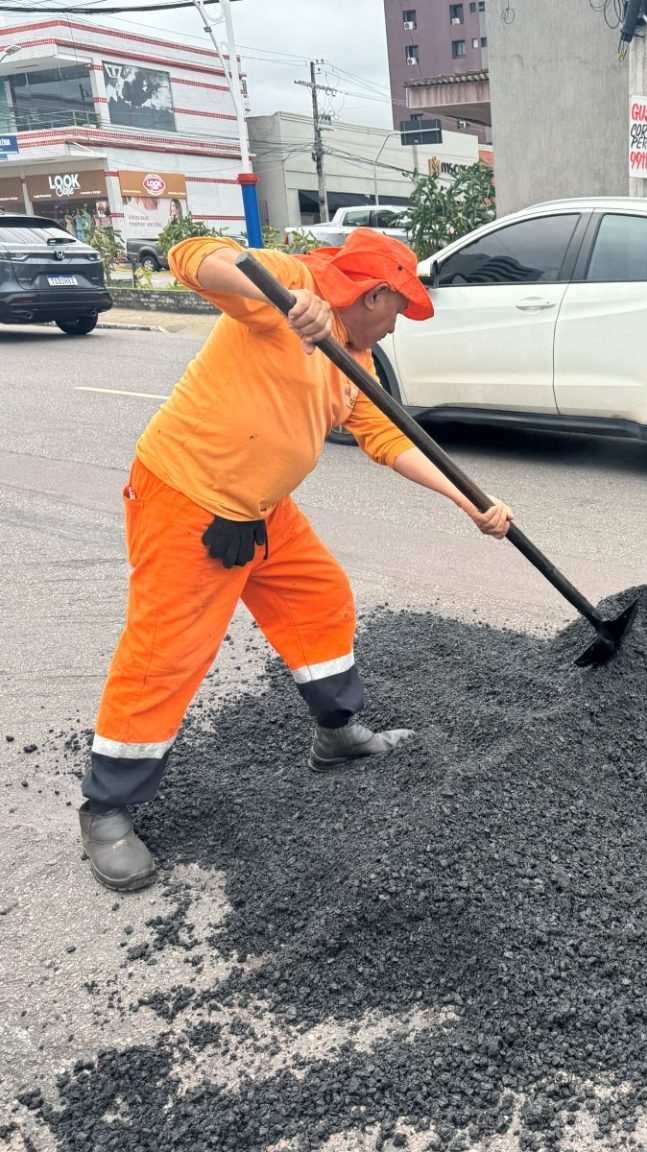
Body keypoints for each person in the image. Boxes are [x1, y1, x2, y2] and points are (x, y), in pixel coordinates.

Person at [78, 228, 514, 892]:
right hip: (188, 496)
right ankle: (108, 808)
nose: (399, 325)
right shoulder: (292, 282)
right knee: (167, 651)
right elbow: (192, 257)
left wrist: (469, 501)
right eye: (399, 307)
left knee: (320, 599)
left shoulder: (351, 354)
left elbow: (387, 437)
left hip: (261, 506)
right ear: (374, 295)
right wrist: (283, 300)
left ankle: (336, 734)